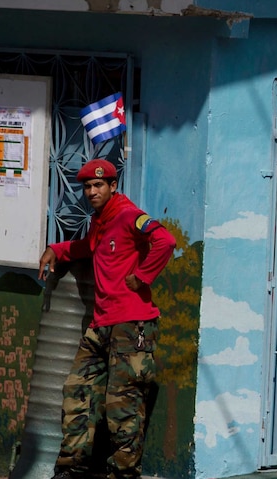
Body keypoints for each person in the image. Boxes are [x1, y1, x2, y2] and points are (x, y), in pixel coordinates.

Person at [38, 158, 176, 479]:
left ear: (113, 186)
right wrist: (57, 250)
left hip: (132, 326)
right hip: (100, 325)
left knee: (122, 407)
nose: (91, 191)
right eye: (87, 186)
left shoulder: (129, 215)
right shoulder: (101, 221)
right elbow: (90, 247)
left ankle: (124, 475)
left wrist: (142, 276)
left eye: (98, 185)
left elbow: (165, 241)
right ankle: (70, 470)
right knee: (76, 393)